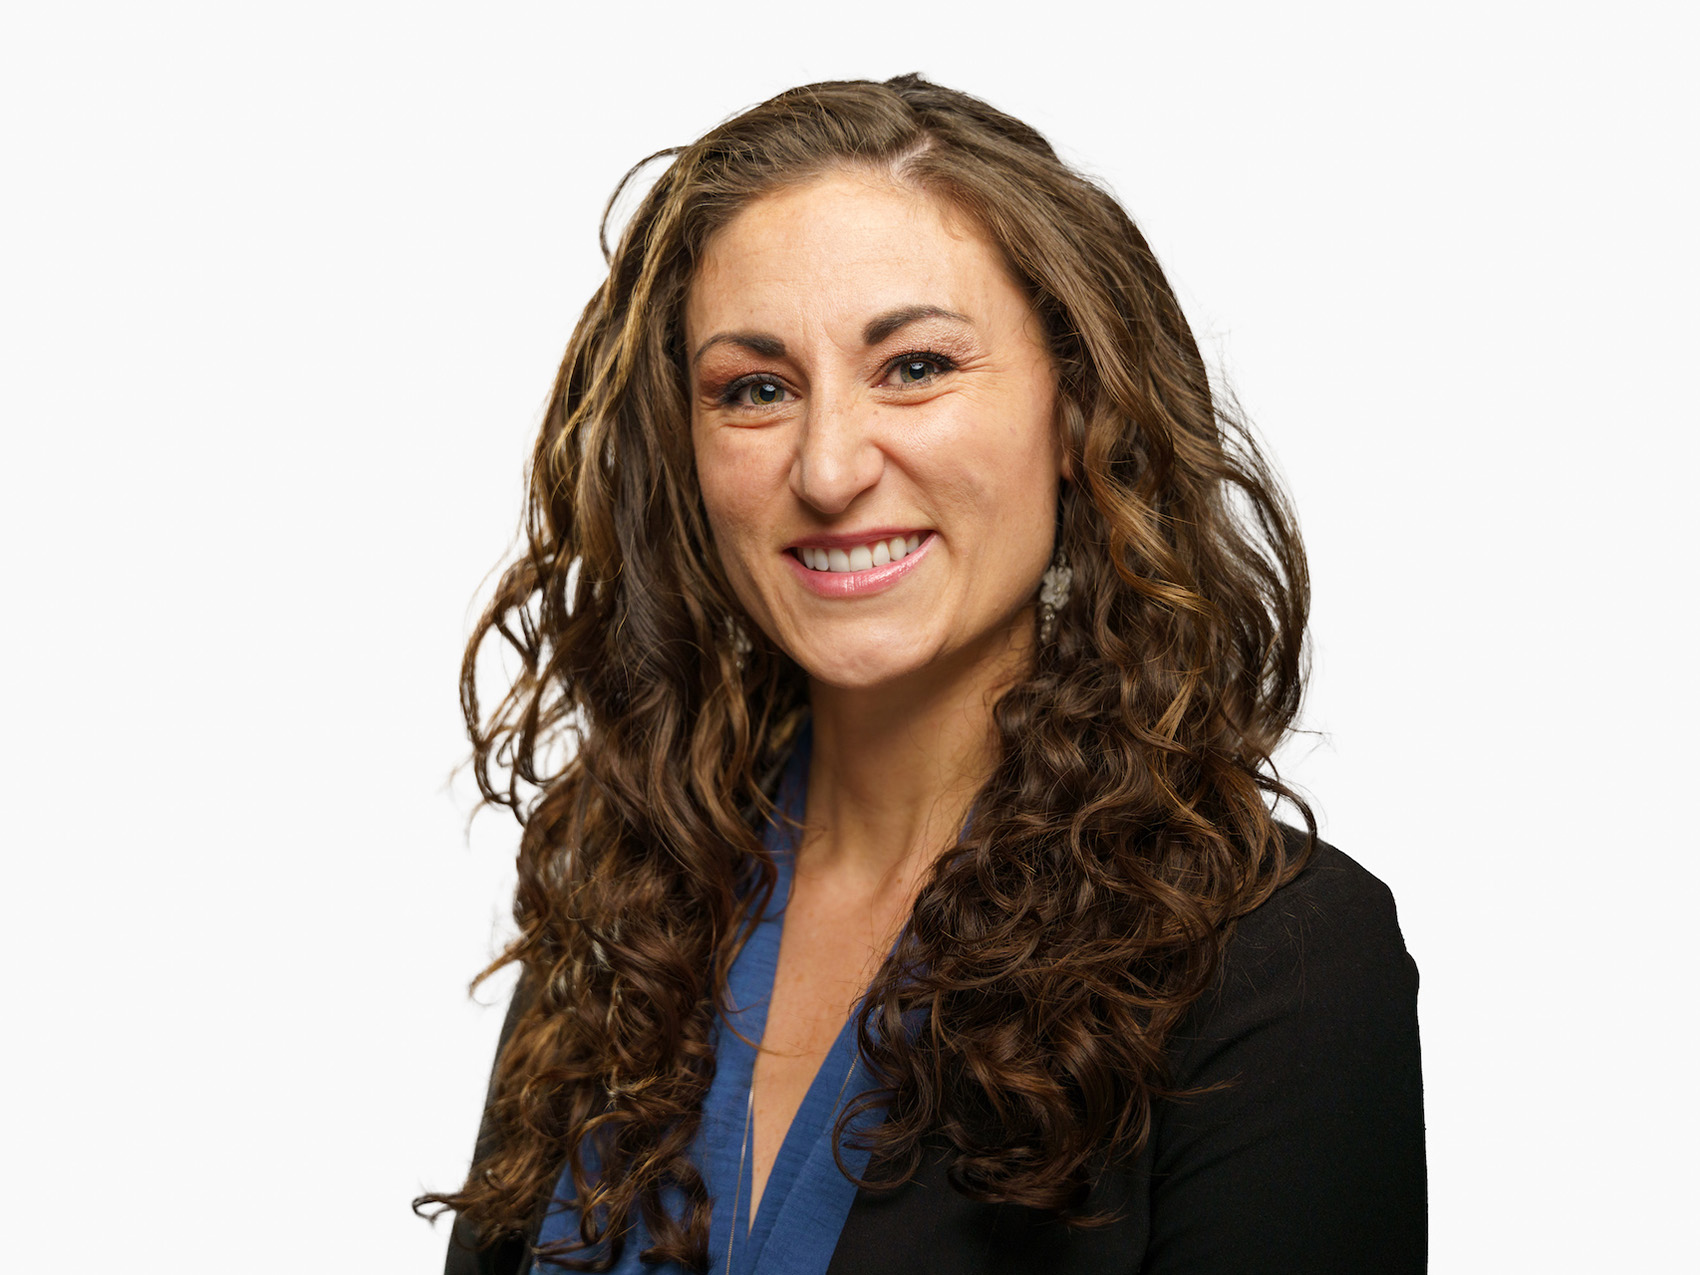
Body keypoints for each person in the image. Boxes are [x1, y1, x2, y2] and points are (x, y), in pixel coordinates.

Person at [417, 74, 1426, 1274]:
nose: (830, 465)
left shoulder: (1273, 963)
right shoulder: (631, 909)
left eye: (914, 367)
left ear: (1075, 410)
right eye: (755, 390)